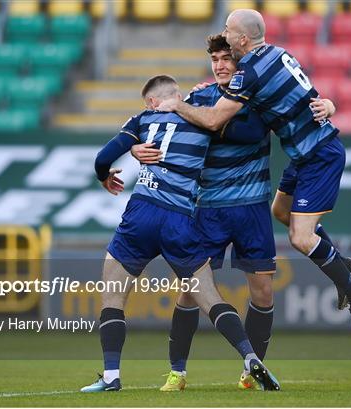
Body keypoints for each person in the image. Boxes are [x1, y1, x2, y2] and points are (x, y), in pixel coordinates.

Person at [132, 35, 338, 391]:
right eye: (215, 59)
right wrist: (136, 147)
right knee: (190, 293)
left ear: (240, 60)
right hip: (207, 209)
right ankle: (177, 372)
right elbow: (156, 130)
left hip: (252, 209)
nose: (220, 65)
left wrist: (329, 105)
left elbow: (298, 108)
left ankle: (251, 371)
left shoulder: (258, 100)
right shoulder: (198, 97)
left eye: (227, 58)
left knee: (262, 294)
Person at [157, 9, 351, 337]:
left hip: (319, 154)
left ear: (243, 38)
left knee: (301, 237)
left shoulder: (250, 71)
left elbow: (216, 120)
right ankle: (341, 267)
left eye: (229, 31)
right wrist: (328, 104)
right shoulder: (279, 53)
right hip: (303, 154)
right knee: (281, 211)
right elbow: (305, 98)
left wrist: (178, 104)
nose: (226, 36)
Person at [80, 75, 280, 393]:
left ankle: (111, 376)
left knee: (113, 298)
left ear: (151, 101)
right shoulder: (202, 121)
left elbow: (103, 158)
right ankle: (249, 357)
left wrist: (110, 171)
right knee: (210, 298)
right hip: (180, 221)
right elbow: (248, 133)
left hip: (141, 215)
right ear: (177, 95)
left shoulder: (142, 119)